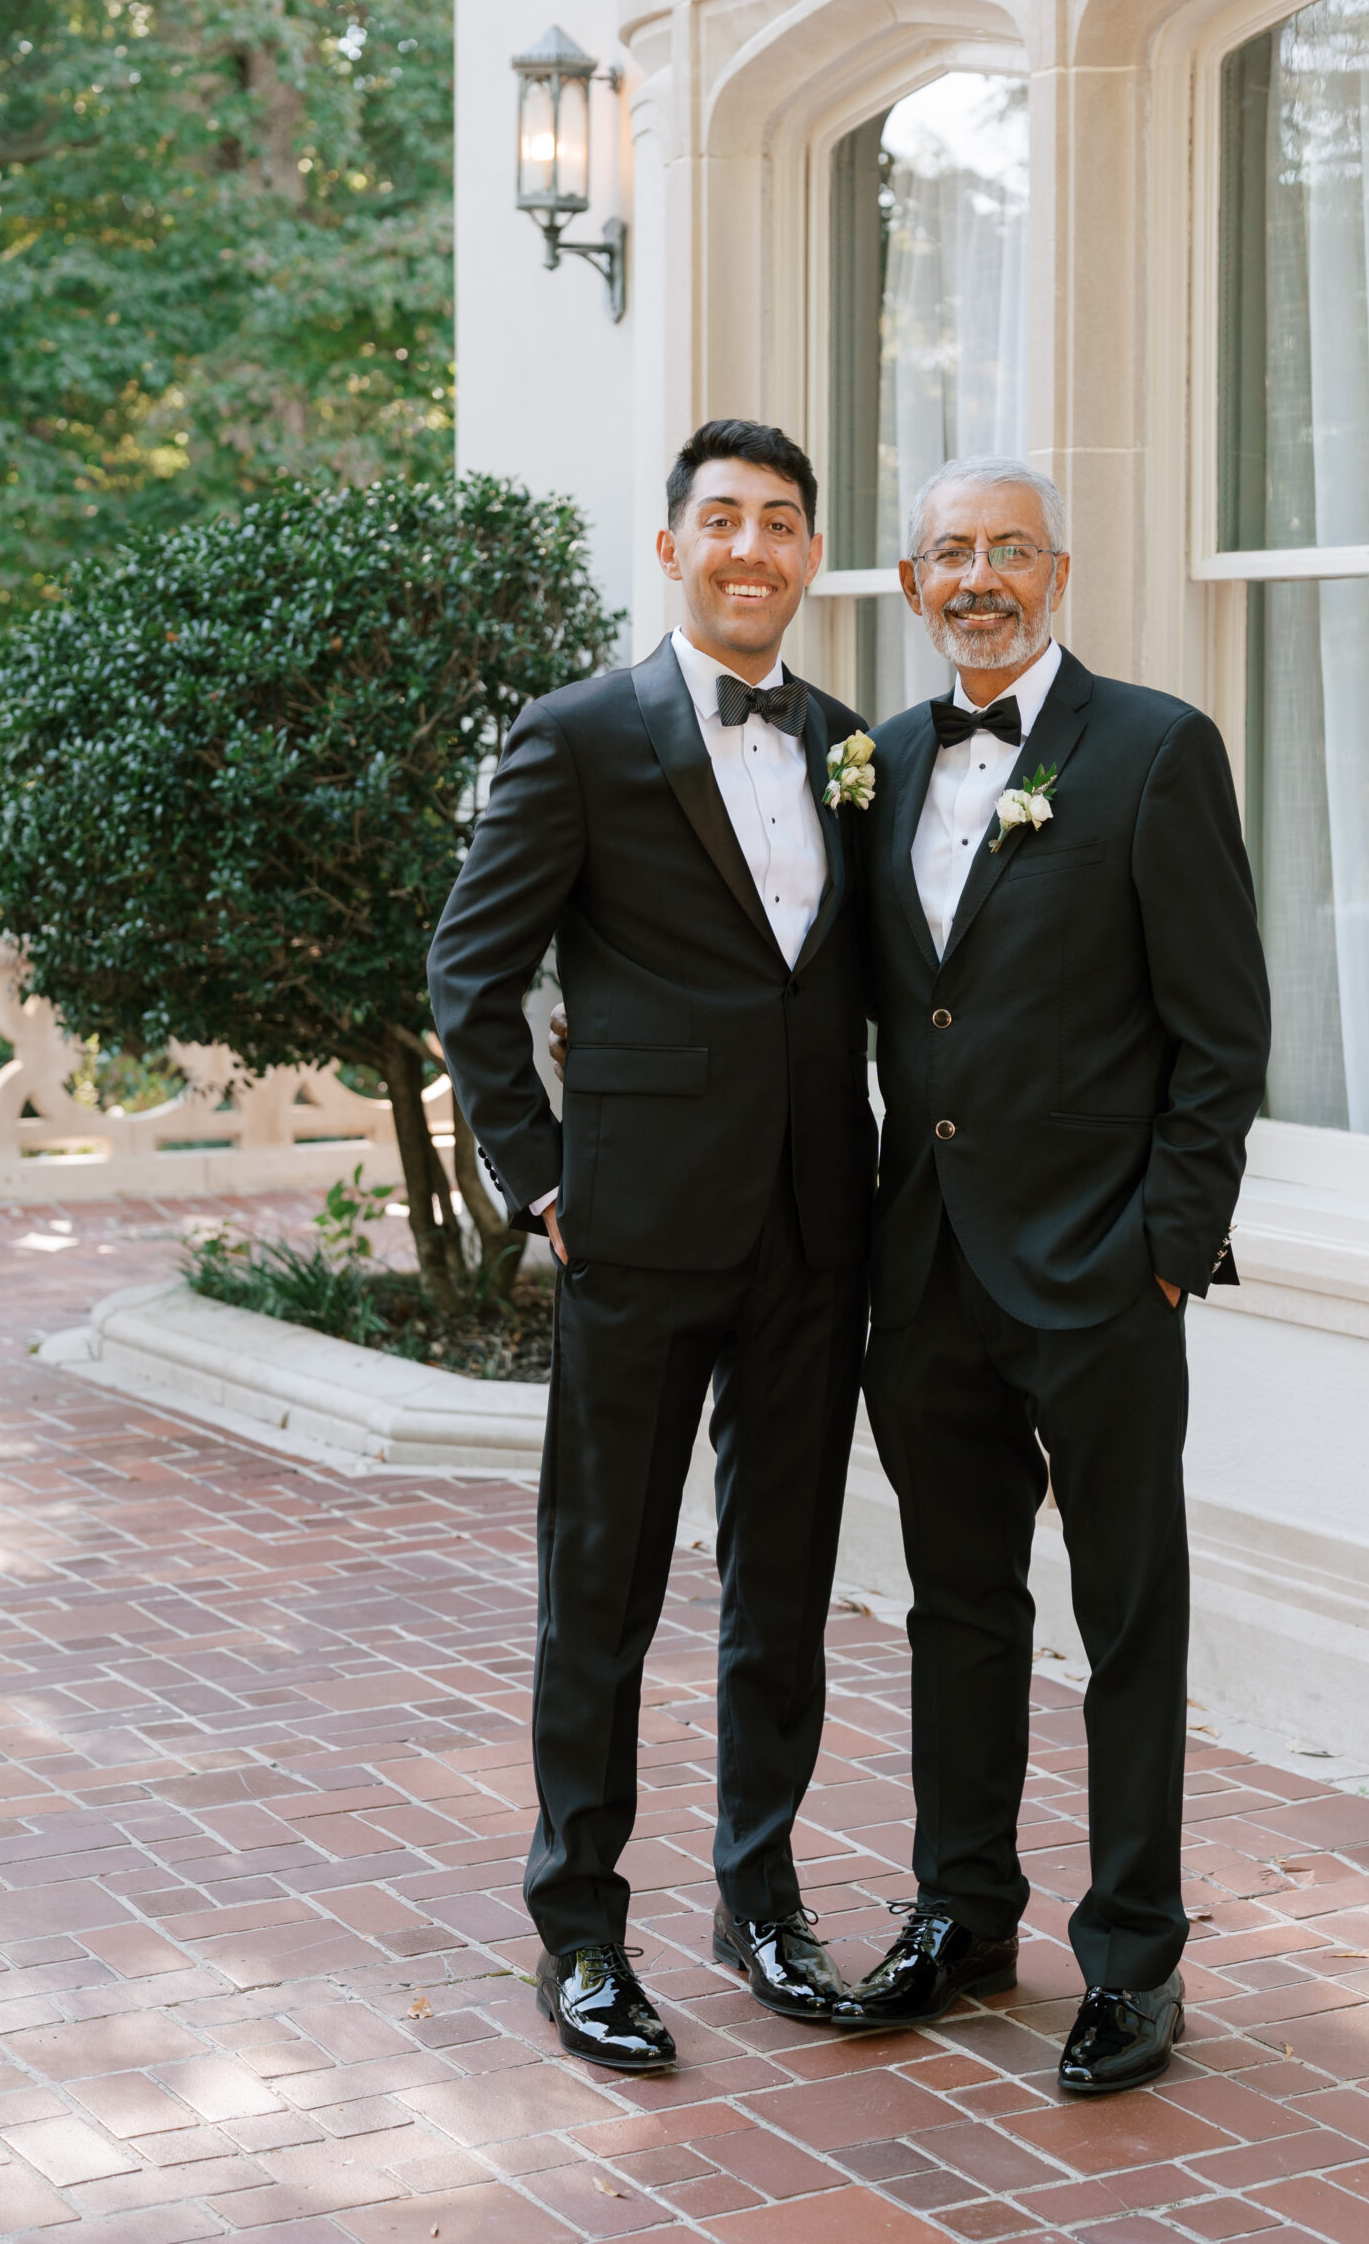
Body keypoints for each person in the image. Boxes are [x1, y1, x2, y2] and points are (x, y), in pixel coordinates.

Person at [426, 419, 877, 2072]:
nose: (754, 548)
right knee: (601, 1584)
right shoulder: (578, 735)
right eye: (725, 521)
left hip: (816, 1229)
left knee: (783, 1587)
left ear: (810, 554)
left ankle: (761, 1899)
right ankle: (579, 1929)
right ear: (676, 545)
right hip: (633, 1225)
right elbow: (472, 974)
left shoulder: (851, 746)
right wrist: (540, 1178)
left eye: (783, 522)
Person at [830, 456, 1270, 2095]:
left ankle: (1135, 1960)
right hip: (925, 1274)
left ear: (1058, 573)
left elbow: (1222, 1037)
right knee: (957, 1608)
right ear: (912, 582)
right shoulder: (875, 765)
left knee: (1129, 1616)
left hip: (1101, 1274)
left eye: (1010, 549)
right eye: (951, 552)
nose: (981, 578)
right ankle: (963, 1918)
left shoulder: (1154, 750)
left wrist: (1165, 1257)